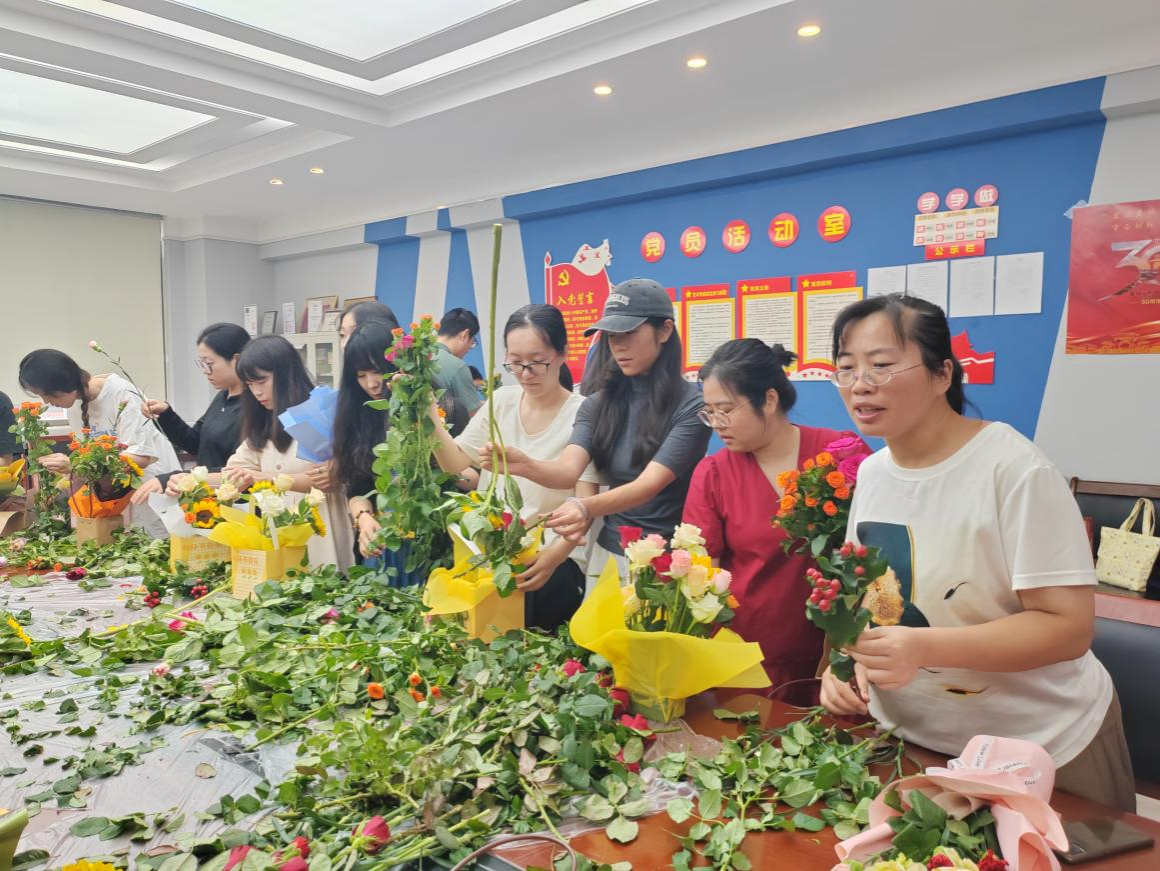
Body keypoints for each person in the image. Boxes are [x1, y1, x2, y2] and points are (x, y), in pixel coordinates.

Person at [820, 292, 1134, 811]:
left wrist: (924, 648)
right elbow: (872, 597)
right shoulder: (873, 474)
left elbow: (1068, 627)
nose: (860, 384)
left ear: (942, 374)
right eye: (846, 367)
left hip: (1039, 748)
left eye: (881, 365)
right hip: (916, 742)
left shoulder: (1013, 470)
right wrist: (842, 668)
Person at [483, 279, 711, 575]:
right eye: (612, 335)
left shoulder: (692, 407)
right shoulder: (597, 404)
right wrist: (525, 465)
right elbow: (568, 471)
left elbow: (647, 486)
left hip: (667, 564)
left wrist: (584, 507)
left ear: (665, 330)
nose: (619, 345)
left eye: (629, 332)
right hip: (609, 555)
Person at [682, 339, 865, 703]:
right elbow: (702, 576)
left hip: (836, 657)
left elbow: (874, 555)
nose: (716, 424)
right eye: (708, 412)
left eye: (726, 410)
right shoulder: (714, 474)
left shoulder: (840, 456)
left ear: (768, 399)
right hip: (747, 661)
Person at [431, 304, 600, 631]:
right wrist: (427, 413)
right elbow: (454, 462)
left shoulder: (583, 413)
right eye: (516, 362)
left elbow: (586, 503)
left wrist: (554, 557)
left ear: (562, 354)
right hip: (492, 561)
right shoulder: (501, 402)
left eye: (537, 361)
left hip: (550, 565)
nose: (526, 373)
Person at [222, 335, 353, 569]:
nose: (256, 392)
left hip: (322, 527)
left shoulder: (319, 413)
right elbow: (235, 469)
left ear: (285, 374)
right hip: (282, 531)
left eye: (262, 381)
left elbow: (328, 478)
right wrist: (185, 480)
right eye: (250, 384)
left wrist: (266, 479)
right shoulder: (263, 422)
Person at [18, 349, 180, 536]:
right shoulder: (75, 406)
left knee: (159, 540)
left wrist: (75, 466)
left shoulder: (121, 392)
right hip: (120, 493)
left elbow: (140, 458)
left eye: (47, 394)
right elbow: (90, 458)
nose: (46, 401)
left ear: (62, 382)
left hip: (154, 486)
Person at [333, 320, 424, 584]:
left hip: (431, 546)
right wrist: (364, 519)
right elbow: (357, 485)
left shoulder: (432, 409)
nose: (371, 384)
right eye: (361, 375)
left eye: (377, 371)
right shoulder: (359, 416)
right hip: (384, 545)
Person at [133, 322, 249, 503]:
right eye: (201, 364)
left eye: (209, 364)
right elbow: (195, 443)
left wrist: (177, 478)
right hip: (209, 500)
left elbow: (239, 470)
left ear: (237, 360)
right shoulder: (222, 397)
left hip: (238, 504)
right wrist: (165, 414)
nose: (205, 371)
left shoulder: (255, 407)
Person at [434, 307, 484, 422]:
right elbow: (474, 418)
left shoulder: (415, 357)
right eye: (472, 342)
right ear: (464, 335)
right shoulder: (457, 367)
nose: (469, 349)